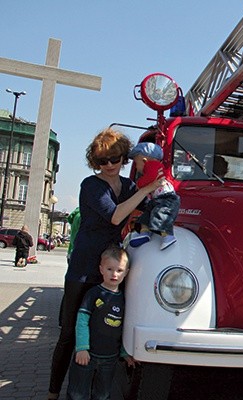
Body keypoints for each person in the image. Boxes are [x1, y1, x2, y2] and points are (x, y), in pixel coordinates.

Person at [48, 128, 162, 400]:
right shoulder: (90, 185)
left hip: (111, 266)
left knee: (106, 328)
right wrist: (146, 188)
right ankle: (53, 391)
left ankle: (98, 388)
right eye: (102, 161)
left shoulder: (129, 187)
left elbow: (149, 209)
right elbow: (114, 216)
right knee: (69, 332)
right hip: (85, 266)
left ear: (124, 157)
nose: (110, 165)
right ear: (95, 162)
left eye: (115, 158)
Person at [66, 245, 135, 400]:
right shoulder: (94, 294)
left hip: (110, 359)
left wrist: (125, 352)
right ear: (101, 269)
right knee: (77, 394)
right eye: (110, 269)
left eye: (119, 270)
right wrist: (82, 348)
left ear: (127, 272)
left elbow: (121, 328)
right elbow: (82, 321)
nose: (114, 274)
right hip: (87, 356)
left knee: (102, 395)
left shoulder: (124, 299)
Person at [128, 142, 180, 250]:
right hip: (158, 198)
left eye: (136, 164)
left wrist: (140, 184)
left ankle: (168, 236)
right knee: (146, 216)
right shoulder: (155, 166)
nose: (137, 168)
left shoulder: (152, 166)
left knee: (161, 215)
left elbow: (151, 177)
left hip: (165, 197)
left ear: (144, 160)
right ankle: (144, 233)